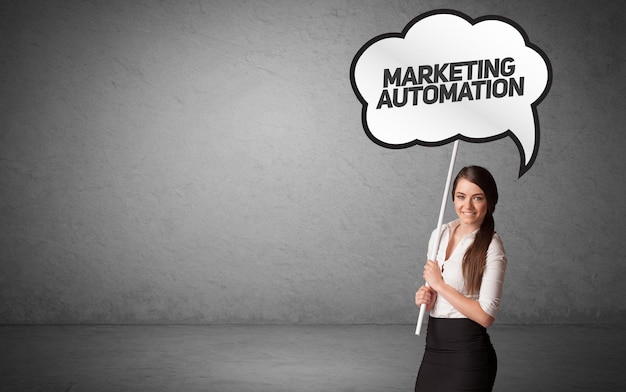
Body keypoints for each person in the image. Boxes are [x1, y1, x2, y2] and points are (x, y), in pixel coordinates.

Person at [414, 165, 507, 392]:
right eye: (461, 196)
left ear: (490, 202)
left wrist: (439, 285)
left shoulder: (492, 246)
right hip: (433, 349)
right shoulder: (439, 234)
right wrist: (427, 296)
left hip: (469, 356)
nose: (467, 206)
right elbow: (437, 295)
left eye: (477, 198)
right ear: (453, 198)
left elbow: (485, 316)